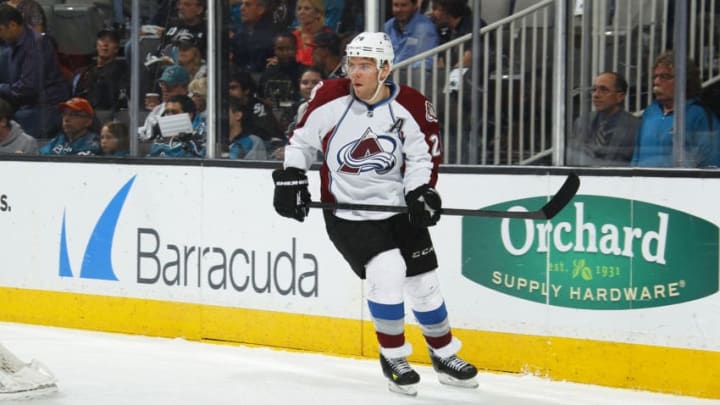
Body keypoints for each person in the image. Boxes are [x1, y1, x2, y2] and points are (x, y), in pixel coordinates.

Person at [271, 31, 478, 396]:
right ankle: (394, 356)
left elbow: (422, 157)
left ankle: (444, 354)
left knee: (424, 283)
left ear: (385, 69)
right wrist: (290, 176)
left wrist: (420, 192)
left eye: (365, 66)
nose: (355, 73)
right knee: (388, 270)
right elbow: (302, 141)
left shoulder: (412, 105)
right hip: (348, 211)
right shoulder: (329, 96)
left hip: (397, 208)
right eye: (352, 64)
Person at [632, 51, 720, 167]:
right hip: (643, 183)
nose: (656, 82)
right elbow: (636, 157)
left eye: (665, 77)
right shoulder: (650, 112)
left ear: (685, 81)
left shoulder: (700, 115)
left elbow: (710, 165)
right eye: (655, 77)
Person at [0, 5, 70, 139]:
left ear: (13, 25)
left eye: (0, 29)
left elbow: (28, 87)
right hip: (27, 104)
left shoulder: (37, 44)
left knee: (21, 117)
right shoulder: (11, 46)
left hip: (46, 106)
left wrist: (1, 88)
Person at [568, 72, 639, 166]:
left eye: (604, 90)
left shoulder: (635, 127)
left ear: (620, 96)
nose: (595, 95)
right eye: (594, 90)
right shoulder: (581, 122)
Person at [72, 28, 129, 113]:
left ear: (116, 48)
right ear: (97, 45)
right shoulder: (83, 72)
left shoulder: (121, 71)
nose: (105, 44)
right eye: (102, 40)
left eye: (110, 41)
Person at [259, 32, 305, 131]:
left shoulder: (305, 72)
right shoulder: (268, 74)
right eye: (280, 49)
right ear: (274, 50)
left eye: (289, 49)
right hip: (272, 123)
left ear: (296, 49)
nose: (285, 53)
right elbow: (261, 98)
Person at [138, 65, 191, 141]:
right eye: (163, 84)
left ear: (185, 88)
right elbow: (145, 133)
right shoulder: (158, 109)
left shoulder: (192, 107)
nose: (164, 89)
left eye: (170, 86)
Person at [384, 0, 438, 68]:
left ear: (415, 6)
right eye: (396, 5)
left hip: (411, 76)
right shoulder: (388, 26)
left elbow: (425, 63)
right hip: (388, 75)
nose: (399, 10)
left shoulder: (425, 28)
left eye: (404, 5)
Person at [231, 0, 277, 74]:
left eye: (247, 5)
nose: (241, 8)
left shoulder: (274, 35)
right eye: (241, 4)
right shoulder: (237, 34)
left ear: (261, 10)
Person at [292, 0, 331, 66]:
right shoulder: (293, 36)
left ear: (318, 13)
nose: (301, 12)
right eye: (299, 9)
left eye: (307, 8)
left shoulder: (327, 36)